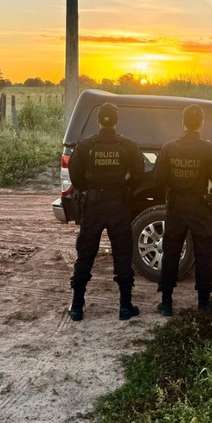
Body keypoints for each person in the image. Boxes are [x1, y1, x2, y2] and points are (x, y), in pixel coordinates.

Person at [67, 102, 144, 322]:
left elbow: (75, 176)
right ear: (116, 120)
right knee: (122, 254)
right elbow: (139, 174)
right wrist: (124, 185)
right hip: (118, 205)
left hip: (93, 207)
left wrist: (90, 188)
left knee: (85, 255)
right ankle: (125, 307)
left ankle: (77, 307)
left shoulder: (85, 145)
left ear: (98, 120)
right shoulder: (128, 145)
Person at [154, 104, 212, 315]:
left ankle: (166, 303)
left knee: (171, 254)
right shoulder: (208, 149)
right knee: (203, 255)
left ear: (183, 122)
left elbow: (158, 179)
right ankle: (203, 303)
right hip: (199, 207)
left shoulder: (169, 148)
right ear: (201, 123)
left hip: (176, 206)